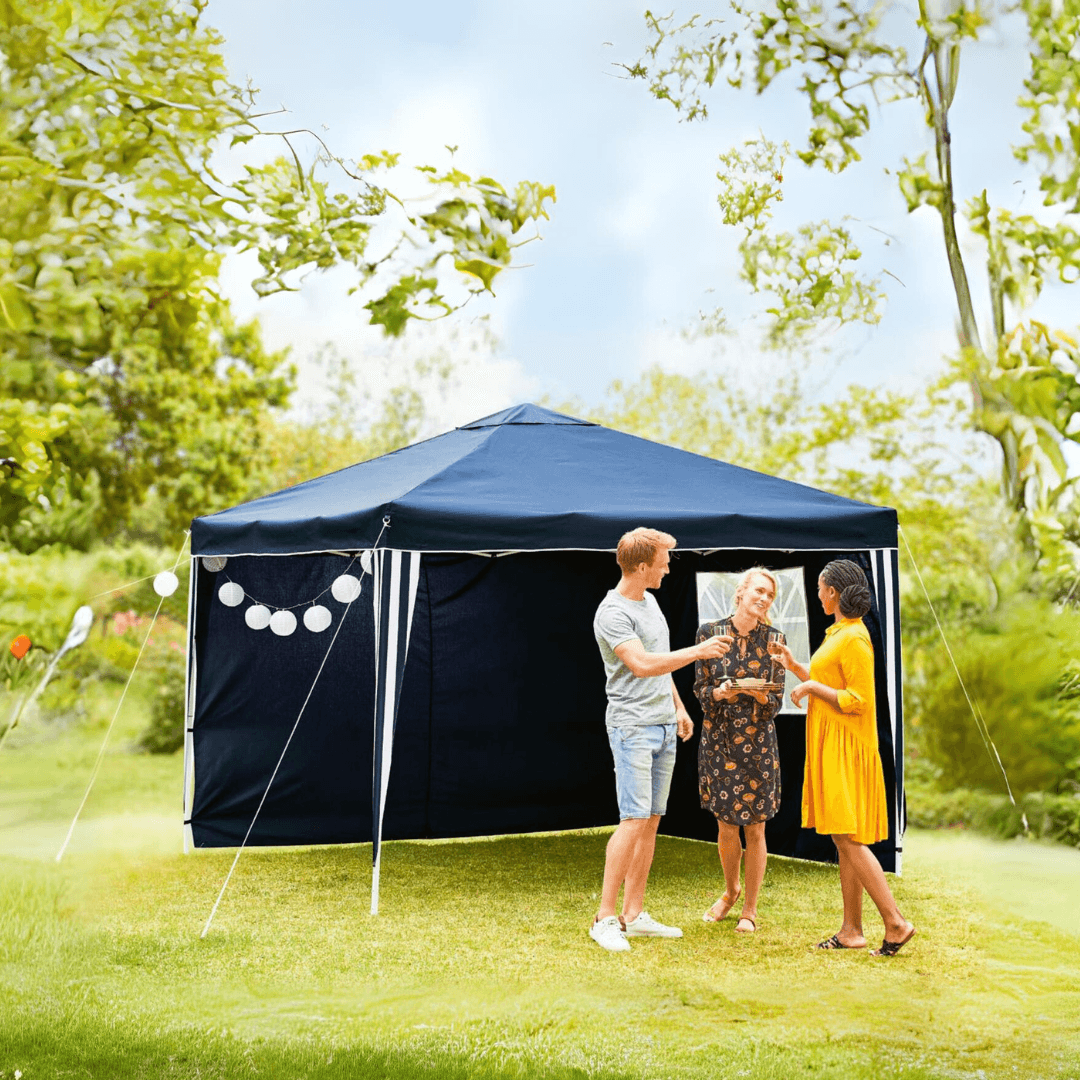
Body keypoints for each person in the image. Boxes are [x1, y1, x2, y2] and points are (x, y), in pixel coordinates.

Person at [590, 526, 731, 953]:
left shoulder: (650, 602)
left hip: (662, 725)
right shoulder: (611, 613)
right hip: (632, 727)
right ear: (641, 565)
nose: (669, 568)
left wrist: (679, 708)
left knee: (651, 820)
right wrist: (699, 652)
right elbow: (642, 663)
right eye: (663, 561)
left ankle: (634, 915)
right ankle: (604, 918)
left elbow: (660, 667)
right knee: (632, 820)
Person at [772, 559, 916, 956]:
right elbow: (831, 681)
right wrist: (797, 668)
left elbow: (858, 700)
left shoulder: (855, 638)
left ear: (833, 592)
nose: (817, 594)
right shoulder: (838, 632)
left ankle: (895, 922)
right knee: (842, 836)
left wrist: (813, 687)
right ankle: (852, 929)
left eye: (820, 589)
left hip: (847, 748)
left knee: (846, 836)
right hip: (832, 742)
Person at [694, 567, 785, 933]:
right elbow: (701, 690)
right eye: (759, 591)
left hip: (759, 743)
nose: (763, 599)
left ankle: (749, 909)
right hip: (719, 740)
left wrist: (762, 695)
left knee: (756, 828)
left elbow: (775, 700)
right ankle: (730, 891)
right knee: (727, 825)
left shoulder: (775, 639)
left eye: (769, 596)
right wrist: (720, 692)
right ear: (741, 592)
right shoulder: (709, 634)